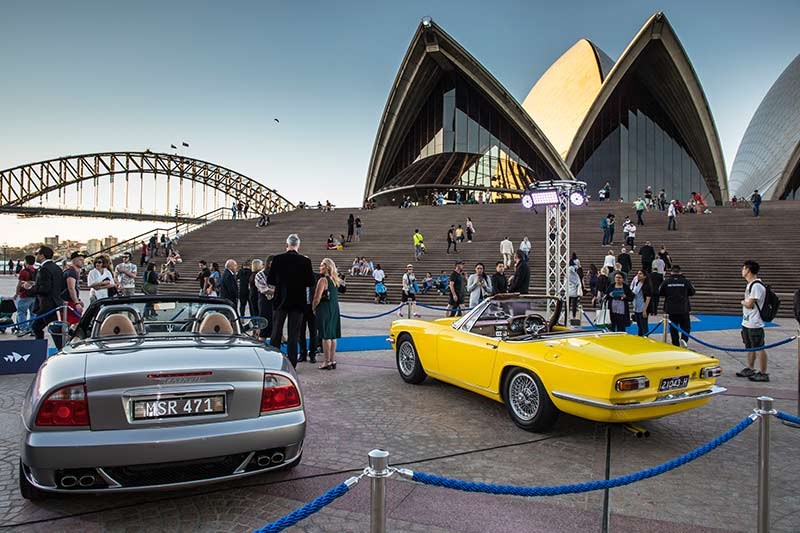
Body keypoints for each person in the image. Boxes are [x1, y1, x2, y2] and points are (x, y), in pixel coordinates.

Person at [268, 234, 316, 367]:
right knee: (294, 334)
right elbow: (310, 282)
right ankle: (292, 363)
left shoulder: (277, 259)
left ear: (287, 244)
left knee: (276, 332)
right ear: (298, 245)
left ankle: (273, 361)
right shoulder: (305, 261)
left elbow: (270, 280)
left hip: (280, 300)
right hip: (298, 301)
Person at [736, 260, 770, 382]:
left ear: (748, 269)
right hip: (747, 321)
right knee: (749, 346)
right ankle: (750, 368)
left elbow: (750, 304)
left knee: (759, 347)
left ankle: (763, 372)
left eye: (743, 268)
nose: (742, 271)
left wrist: (742, 302)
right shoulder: (750, 284)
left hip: (755, 322)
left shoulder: (756, 285)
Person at [25, 247, 65, 349]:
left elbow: (45, 288)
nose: (35, 255)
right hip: (55, 303)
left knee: (53, 330)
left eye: (37, 253)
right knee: (37, 327)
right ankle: (42, 348)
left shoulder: (44, 269)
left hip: (46, 305)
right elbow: (61, 285)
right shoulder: (56, 268)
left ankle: (47, 349)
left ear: (42, 255)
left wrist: (29, 289)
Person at [313, 258, 343, 370]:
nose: (320, 267)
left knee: (325, 336)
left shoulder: (323, 280)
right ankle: (332, 360)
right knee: (333, 335)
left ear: (327, 267)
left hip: (324, 309)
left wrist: (313, 307)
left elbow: (317, 297)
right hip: (334, 309)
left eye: (322, 265)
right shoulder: (335, 280)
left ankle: (326, 361)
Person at [659, 265, 695, 347]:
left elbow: (660, 292)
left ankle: (675, 343)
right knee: (686, 326)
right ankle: (684, 340)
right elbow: (692, 292)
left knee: (673, 327)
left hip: (671, 308)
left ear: (671, 272)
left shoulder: (666, 282)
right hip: (683, 308)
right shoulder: (686, 281)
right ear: (680, 272)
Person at [14, 255, 37, 336]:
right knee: (33, 313)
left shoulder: (24, 272)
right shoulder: (36, 271)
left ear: (26, 261)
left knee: (21, 313)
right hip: (34, 295)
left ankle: (23, 328)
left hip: (24, 295)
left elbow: (19, 284)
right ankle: (32, 328)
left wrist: (16, 293)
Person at [62, 251, 85, 326]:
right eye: (80, 260)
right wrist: (76, 303)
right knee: (73, 324)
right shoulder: (71, 272)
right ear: (73, 260)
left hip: (70, 301)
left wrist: (78, 300)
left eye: (83, 260)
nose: (82, 262)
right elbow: (71, 288)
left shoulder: (73, 272)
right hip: (68, 302)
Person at [254, 256, 274, 342]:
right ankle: (261, 343)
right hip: (265, 302)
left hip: (275, 302)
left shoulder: (278, 273)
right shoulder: (260, 274)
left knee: (275, 325)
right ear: (269, 263)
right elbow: (264, 290)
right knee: (264, 325)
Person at [630, 270, 653, 336]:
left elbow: (648, 298)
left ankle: (645, 338)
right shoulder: (637, 283)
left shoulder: (647, 285)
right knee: (639, 325)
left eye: (640, 274)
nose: (638, 275)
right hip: (636, 307)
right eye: (638, 273)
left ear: (645, 276)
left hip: (642, 307)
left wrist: (644, 309)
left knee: (644, 326)